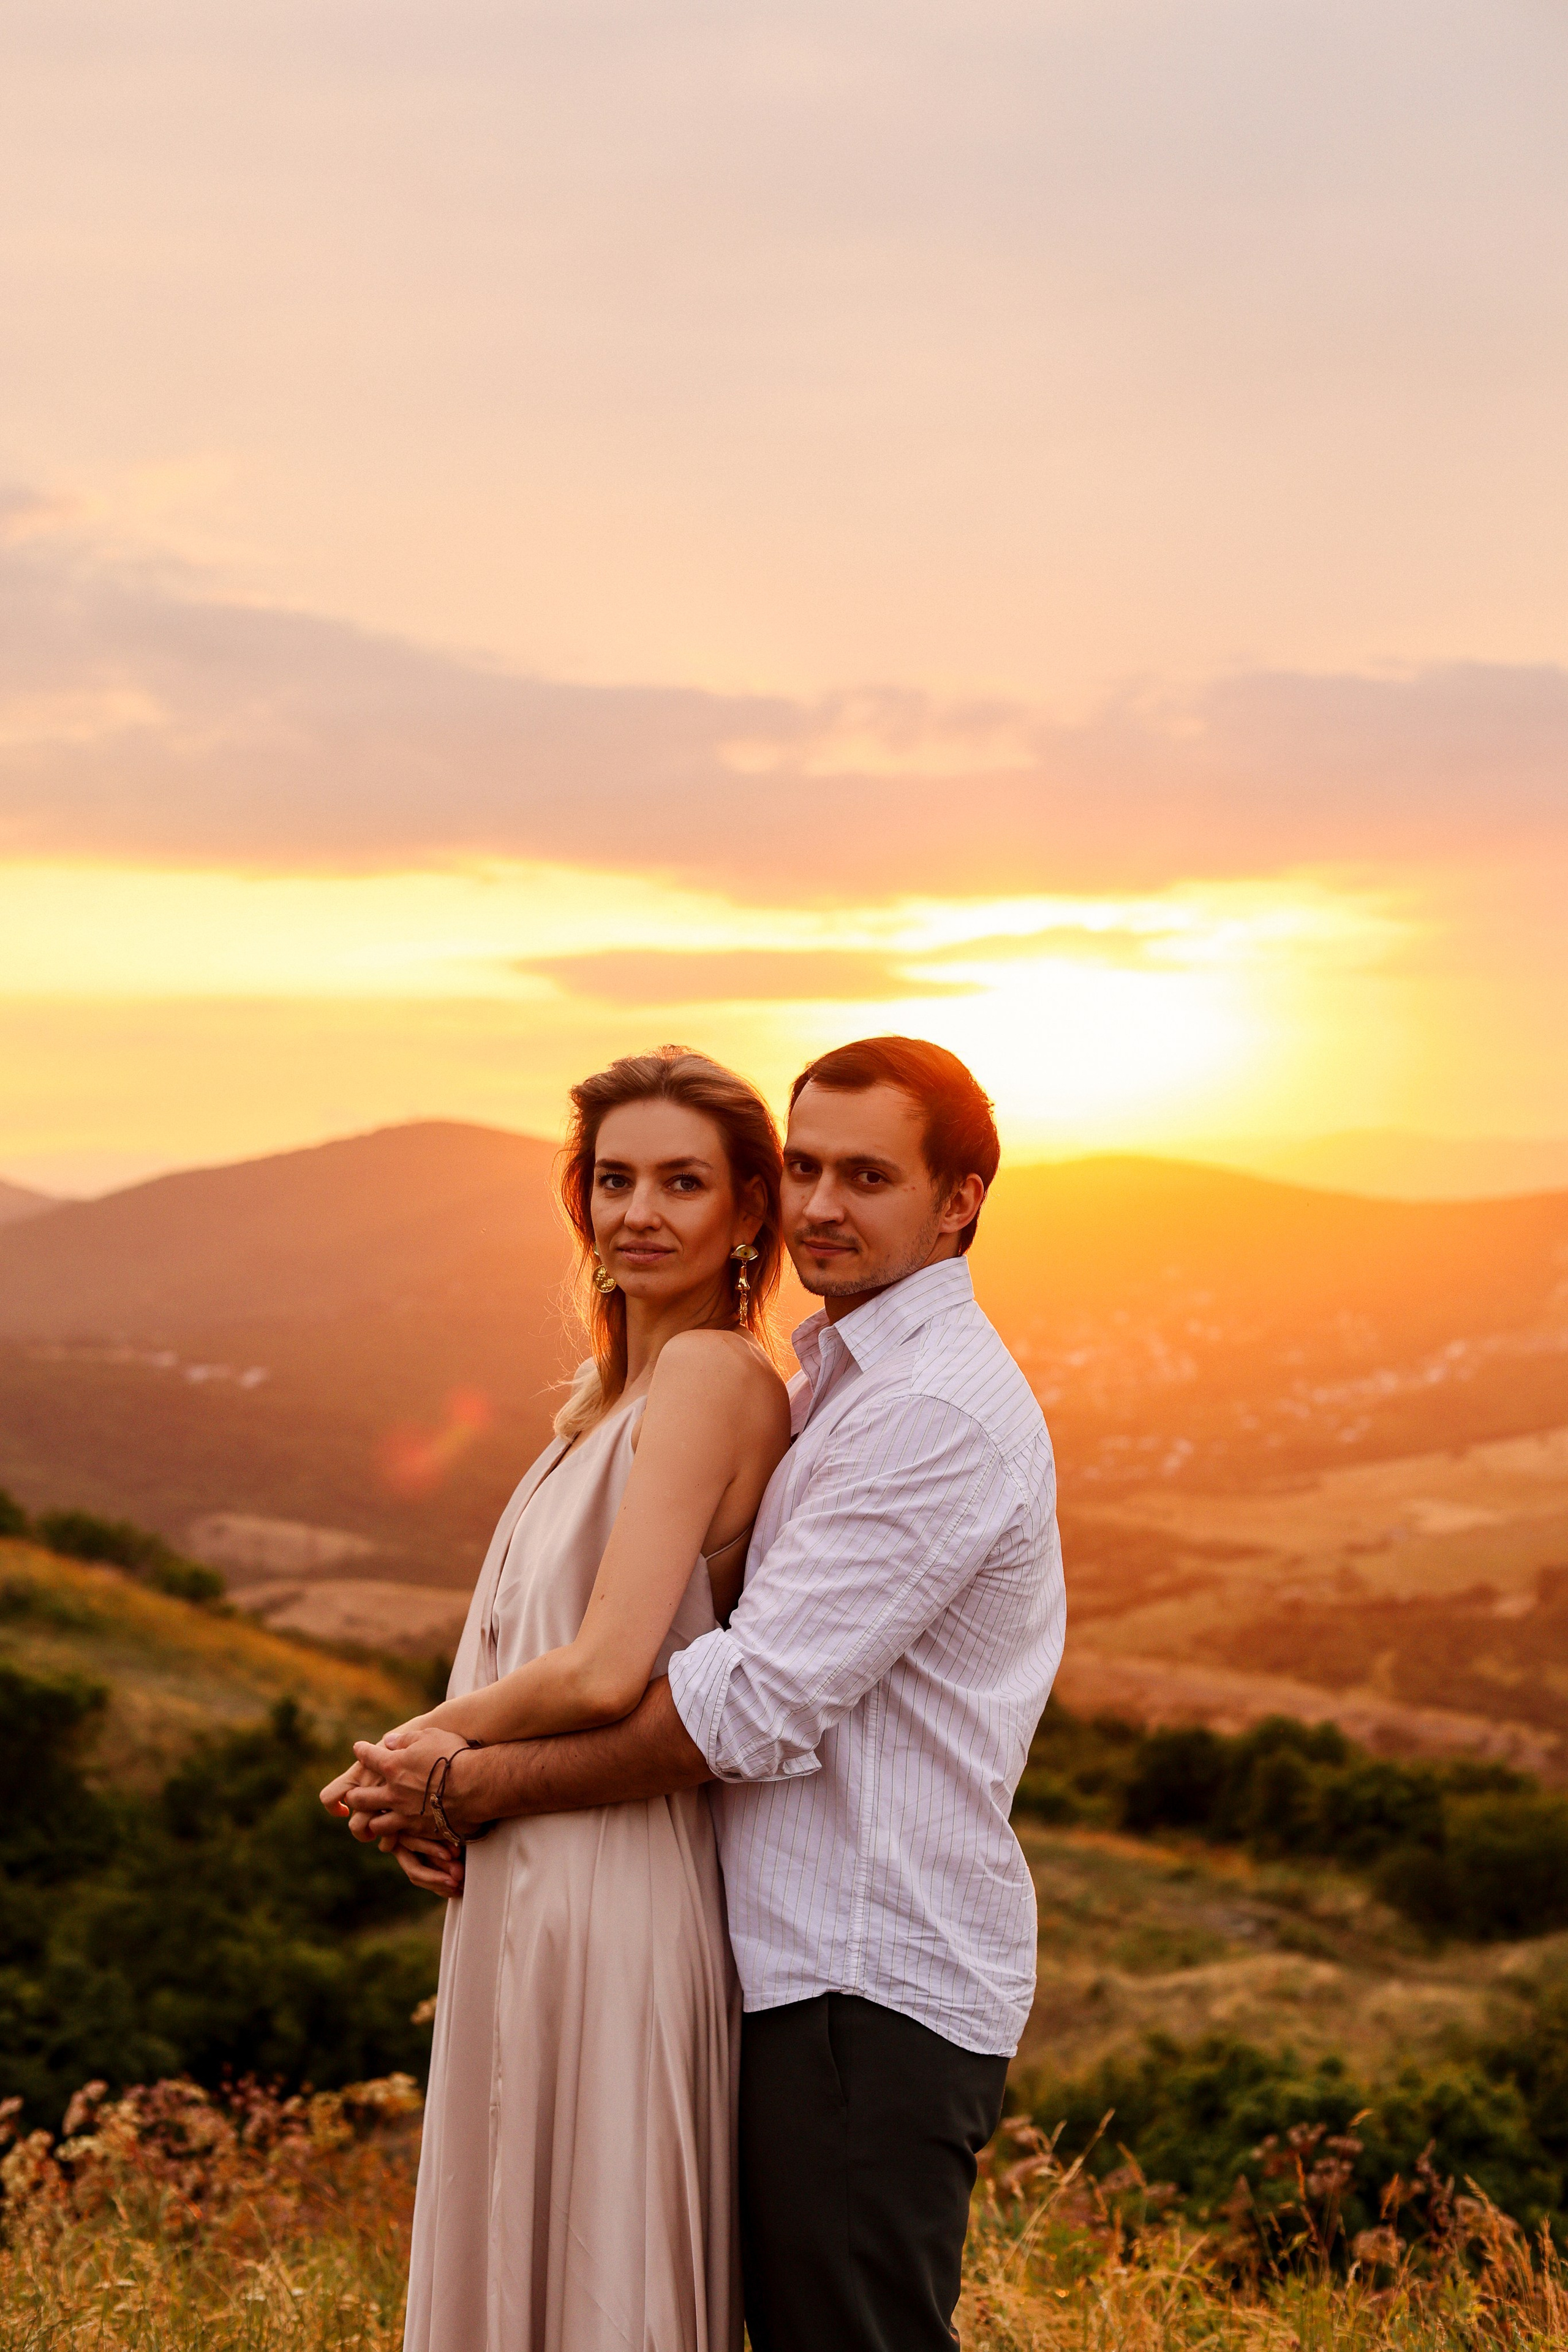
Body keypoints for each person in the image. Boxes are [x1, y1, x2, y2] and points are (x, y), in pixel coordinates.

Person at [343, 1036, 1066, 2352]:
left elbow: (739, 1708)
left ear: (957, 1199)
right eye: (805, 1168)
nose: (822, 1205)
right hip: (782, 1963)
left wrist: (453, 1781)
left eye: (868, 1174)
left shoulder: (924, 1413)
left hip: (861, 1975)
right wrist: (446, 1792)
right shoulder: (834, 1387)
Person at [325, 1046, 792, 2352]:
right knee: (515, 2240)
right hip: (521, 1885)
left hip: (615, 1896)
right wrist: (432, 1787)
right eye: (612, 1178)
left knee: (593, 2264)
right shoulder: (595, 1406)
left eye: (681, 1182)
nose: (638, 1210)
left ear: (747, 1213)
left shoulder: (711, 1376)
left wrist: (414, 1755)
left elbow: (602, 1669)